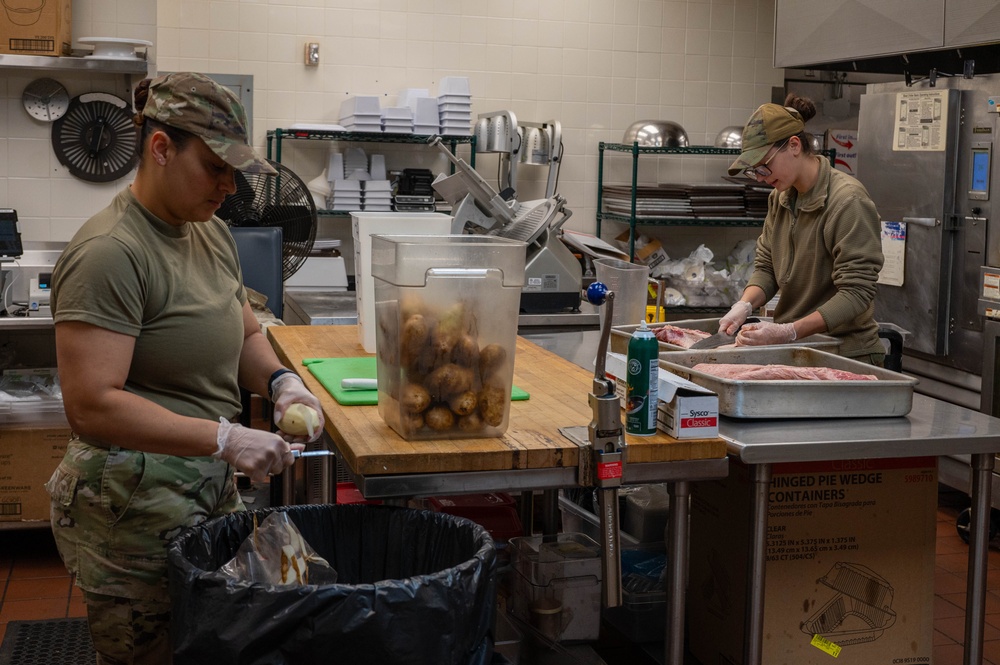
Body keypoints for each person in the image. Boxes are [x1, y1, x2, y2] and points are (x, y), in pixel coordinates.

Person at [44, 72, 326, 664]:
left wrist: (281, 382)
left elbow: (245, 331)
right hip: (131, 507)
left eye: (236, 171)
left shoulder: (213, 233)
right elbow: (92, 402)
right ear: (161, 147)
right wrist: (224, 437)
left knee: (216, 643)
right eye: (216, 167)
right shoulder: (110, 253)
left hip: (202, 486)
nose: (229, 186)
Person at [720, 94, 886, 366]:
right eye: (754, 171)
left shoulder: (847, 201)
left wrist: (790, 330)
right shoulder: (782, 197)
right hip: (797, 350)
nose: (761, 177)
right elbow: (766, 267)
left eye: (764, 166)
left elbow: (856, 293)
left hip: (844, 354)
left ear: (794, 145)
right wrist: (744, 305)